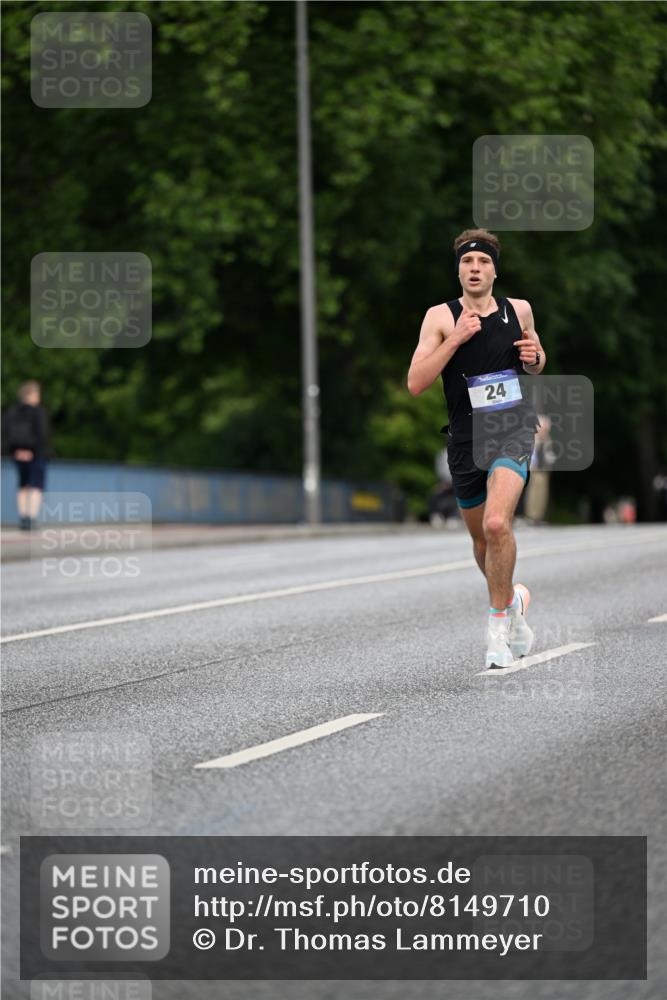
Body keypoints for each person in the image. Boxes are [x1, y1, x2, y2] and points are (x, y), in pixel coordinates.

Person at [407, 229, 546, 669]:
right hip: (465, 439)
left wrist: (536, 355)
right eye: (468, 263)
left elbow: (536, 360)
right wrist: (455, 340)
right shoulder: (441, 317)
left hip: (511, 428)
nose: (474, 269)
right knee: (482, 543)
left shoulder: (518, 310)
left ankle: (496, 633)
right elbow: (416, 383)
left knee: (497, 524)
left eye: (482, 262)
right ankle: (515, 606)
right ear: (459, 270)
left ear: (494, 270)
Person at [3, 380, 51, 530]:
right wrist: (33, 450)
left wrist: (16, 450)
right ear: (31, 394)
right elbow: (42, 434)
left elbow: (5, 433)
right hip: (36, 454)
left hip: (17, 454)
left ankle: (23, 518)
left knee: (22, 485)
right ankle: (32, 518)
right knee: (36, 485)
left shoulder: (11, 412)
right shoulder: (38, 412)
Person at [524, 415, 556, 524]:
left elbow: (549, 455)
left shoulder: (547, 440)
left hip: (544, 470)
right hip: (534, 469)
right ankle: (531, 516)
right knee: (533, 493)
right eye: (544, 427)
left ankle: (538, 517)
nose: (546, 430)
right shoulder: (534, 438)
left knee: (542, 494)